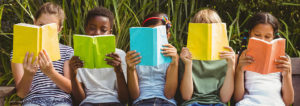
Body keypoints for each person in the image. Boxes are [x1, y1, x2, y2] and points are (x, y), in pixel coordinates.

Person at [234, 12, 294, 106]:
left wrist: (287, 74)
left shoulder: (283, 59)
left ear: (274, 36)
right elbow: (238, 98)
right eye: (257, 35)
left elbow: (288, 102)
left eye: (267, 37)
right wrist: (240, 70)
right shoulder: (241, 57)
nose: (262, 40)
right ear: (250, 33)